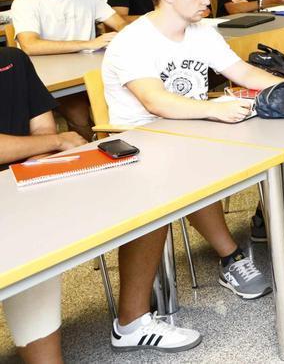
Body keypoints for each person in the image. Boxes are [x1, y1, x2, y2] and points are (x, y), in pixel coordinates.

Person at [0, 46, 201, 357]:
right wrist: (55, 142)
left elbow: (42, 127)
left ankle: (132, 323)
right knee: (25, 243)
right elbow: (52, 137)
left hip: (26, 177)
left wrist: (36, 169)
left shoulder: (12, 60)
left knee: (147, 193)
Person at [102, 0, 283, 299]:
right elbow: (156, 102)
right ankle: (231, 258)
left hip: (194, 125)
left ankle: (266, 222)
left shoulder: (201, 31)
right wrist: (215, 111)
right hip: (144, 137)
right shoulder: (132, 41)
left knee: (281, 138)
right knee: (190, 168)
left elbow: (241, 72)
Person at [11, 0, 127, 140]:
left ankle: (123, 143)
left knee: (132, 99)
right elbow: (29, 45)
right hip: (52, 79)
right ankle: (97, 149)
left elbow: (120, 25)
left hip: (92, 69)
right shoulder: (26, 1)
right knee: (80, 115)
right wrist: (89, 44)